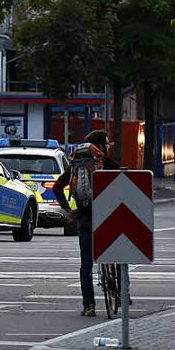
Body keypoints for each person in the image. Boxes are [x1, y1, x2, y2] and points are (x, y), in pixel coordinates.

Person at [54, 130, 120, 317]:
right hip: (106, 217)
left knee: (86, 264)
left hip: (84, 216)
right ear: (99, 146)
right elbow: (124, 181)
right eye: (106, 144)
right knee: (118, 252)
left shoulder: (75, 165)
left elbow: (58, 187)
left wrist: (68, 210)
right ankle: (121, 291)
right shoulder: (106, 164)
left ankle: (89, 305)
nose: (107, 148)